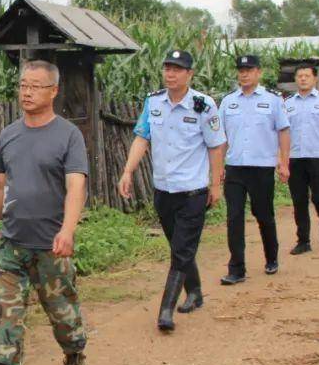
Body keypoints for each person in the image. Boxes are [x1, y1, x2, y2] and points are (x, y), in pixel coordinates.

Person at [0, 59, 89, 365]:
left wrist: (68, 231)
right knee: (6, 313)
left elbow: (76, 185)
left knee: (61, 311)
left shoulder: (69, 134)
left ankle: (74, 351)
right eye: (23, 84)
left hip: (51, 245)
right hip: (12, 243)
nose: (26, 91)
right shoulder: (9, 134)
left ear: (53, 91)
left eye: (35, 85)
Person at [119, 50, 225, 332]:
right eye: (167, 68)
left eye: (177, 69)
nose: (170, 73)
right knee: (180, 247)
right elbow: (142, 137)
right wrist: (128, 171)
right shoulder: (153, 102)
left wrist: (215, 184)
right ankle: (196, 291)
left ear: (189, 74)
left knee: (181, 250)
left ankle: (165, 310)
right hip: (163, 191)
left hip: (193, 192)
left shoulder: (203, 105)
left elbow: (216, 146)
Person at [219, 54, 290, 284]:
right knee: (234, 217)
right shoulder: (228, 101)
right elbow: (220, 138)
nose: (244, 74)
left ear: (258, 72)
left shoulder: (272, 100)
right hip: (235, 168)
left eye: (249, 70)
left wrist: (284, 161)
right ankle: (236, 268)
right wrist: (218, 167)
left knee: (263, 214)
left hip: (261, 167)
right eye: (241, 70)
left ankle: (271, 256)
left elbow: (283, 131)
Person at [284, 64, 319, 254]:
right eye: (299, 76)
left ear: (314, 79)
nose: (303, 79)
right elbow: (282, 132)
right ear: (295, 79)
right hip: (295, 157)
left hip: (318, 156)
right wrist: (281, 158)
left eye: (307, 76)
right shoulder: (288, 103)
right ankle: (303, 240)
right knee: (298, 200)